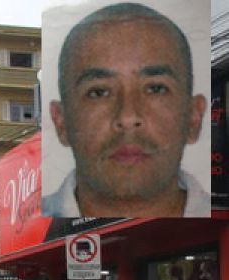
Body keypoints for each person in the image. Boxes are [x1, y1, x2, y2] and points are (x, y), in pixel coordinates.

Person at [42, 2, 208, 218]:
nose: (128, 117)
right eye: (99, 92)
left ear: (194, 117)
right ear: (61, 121)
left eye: (155, 88)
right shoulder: (32, 234)